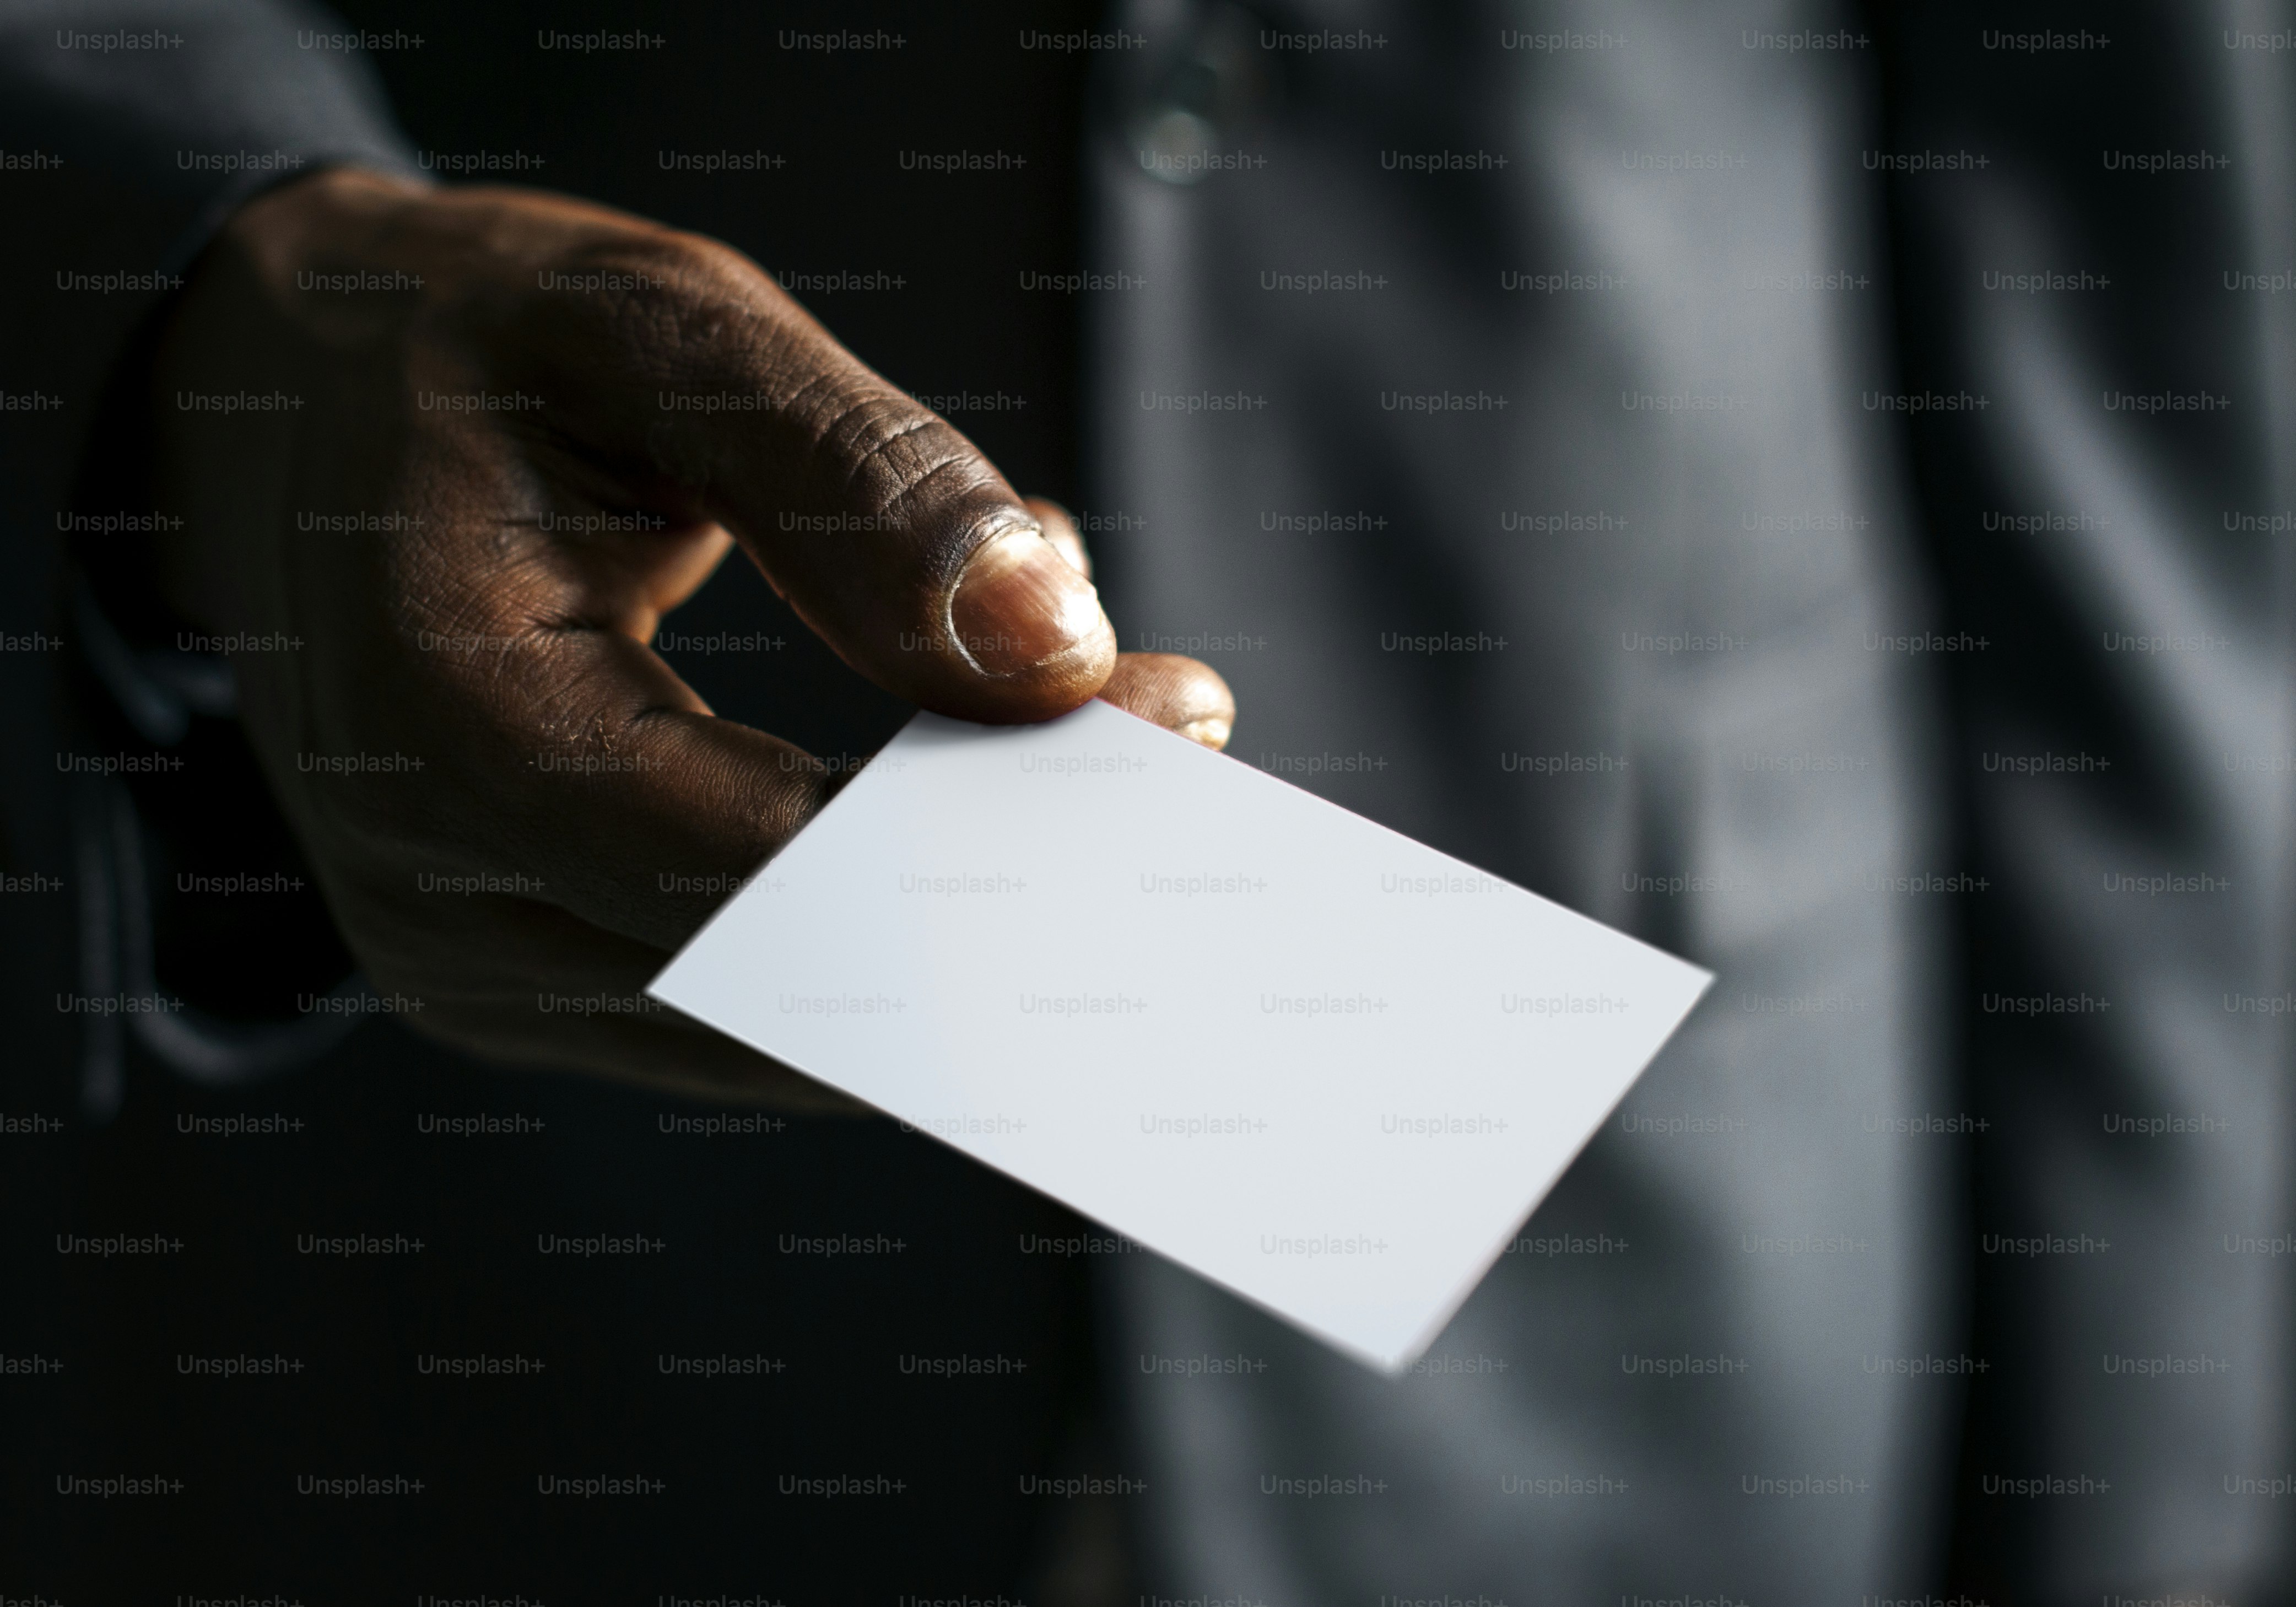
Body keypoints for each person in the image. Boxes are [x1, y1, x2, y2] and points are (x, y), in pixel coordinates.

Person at [6, 1, 2290, 1599]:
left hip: (1679, 1247)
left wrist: (2150, 1488)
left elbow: (2142, 259)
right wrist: (193, 259)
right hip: (435, 1221)